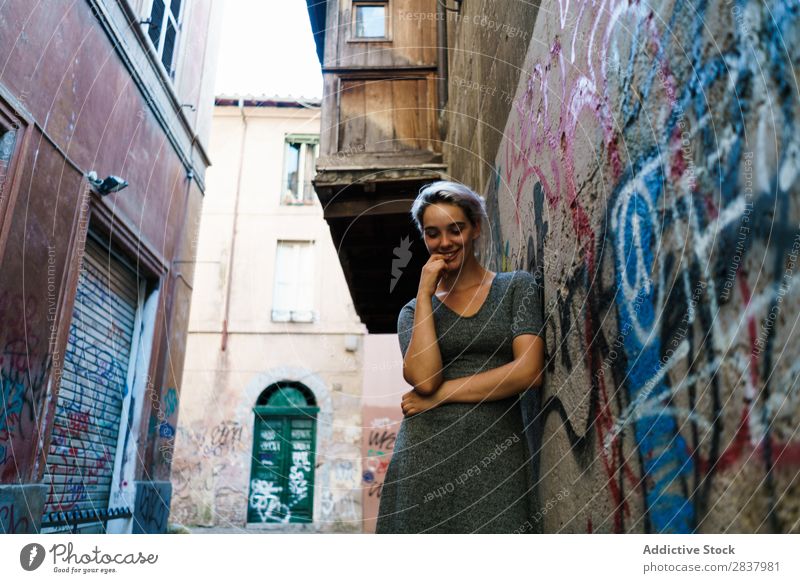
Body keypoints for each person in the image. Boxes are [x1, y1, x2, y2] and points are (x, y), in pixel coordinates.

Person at [376, 181, 546, 533]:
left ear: (476, 228)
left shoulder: (517, 287)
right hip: (424, 458)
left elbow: (529, 372)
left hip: (496, 453)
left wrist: (440, 397)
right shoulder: (412, 313)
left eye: (456, 229)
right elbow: (425, 380)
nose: (445, 242)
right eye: (432, 233)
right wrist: (425, 293)